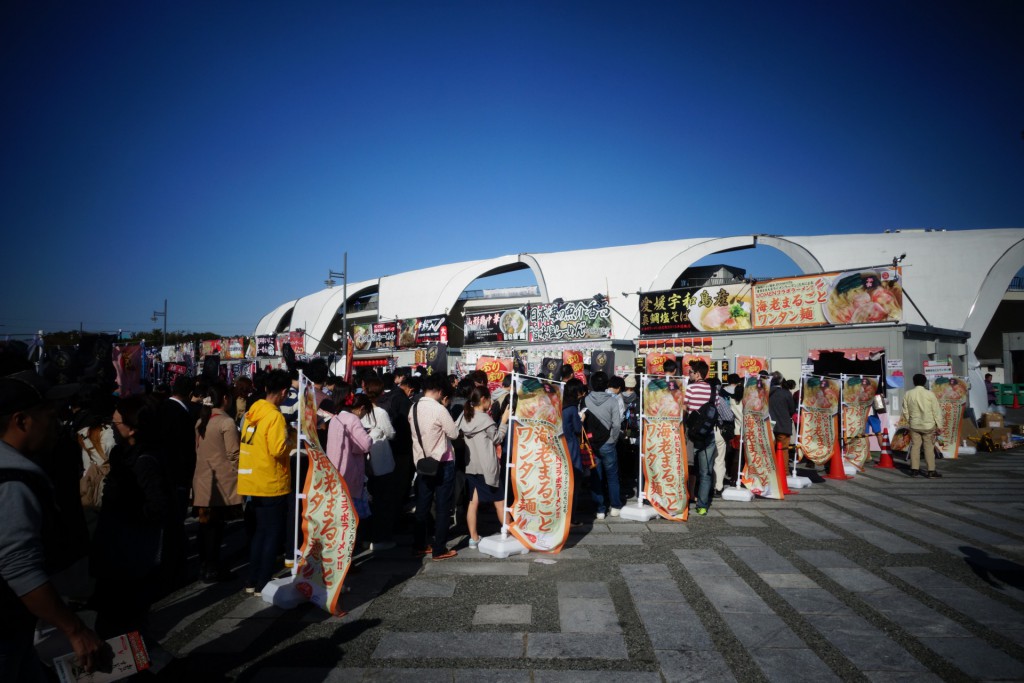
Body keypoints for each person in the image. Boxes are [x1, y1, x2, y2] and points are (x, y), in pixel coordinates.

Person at [1, 372, 112, 680]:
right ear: (21, 421)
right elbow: (20, 568)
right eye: (50, 416)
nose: (59, 423)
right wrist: (75, 630)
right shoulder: (13, 480)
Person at [92, 393, 172, 639]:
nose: (112, 429)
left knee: (126, 626)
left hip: (131, 558)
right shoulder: (123, 456)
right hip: (116, 552)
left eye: (116, 424)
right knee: (114, 624)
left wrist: (128, 510)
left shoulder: (145, 460)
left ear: (133, 429)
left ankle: (138, 671)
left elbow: (158, 507)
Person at [237, 369, 292, 595]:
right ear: (283, 392)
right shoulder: (274, 416)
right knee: (272, 533)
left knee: (260, 532)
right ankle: (262, 582)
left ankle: (252, 579)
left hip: (252, 480)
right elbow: (278, 449)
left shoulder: (252, 412)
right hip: (271, 481)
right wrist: (291, 439)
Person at [193, 381, 242, 583]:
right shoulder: (226, 422)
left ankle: (205, 564)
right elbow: (234, 454)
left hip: (202, 479)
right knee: (216, 526)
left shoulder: (201, 421)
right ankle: (212, 567)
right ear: (225, 399)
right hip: (222, 481)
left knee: (205, 526)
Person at [409, 374, 460, 560]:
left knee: (422, 505)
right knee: (443, 505)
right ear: (439, 391)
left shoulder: (413, 408)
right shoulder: (439, 409)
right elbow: (454, 434)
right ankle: (439, 548)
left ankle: (419, 544)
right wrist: (446, 408)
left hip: (422, 463)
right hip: (443, 462)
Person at [457, 387, 510, 548]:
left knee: (473, 503)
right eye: (490, 399)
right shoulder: (486, 420)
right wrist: (504, 422)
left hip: (471, 465)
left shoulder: (463, 416)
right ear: (484, 399)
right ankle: (511, 533)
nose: (492, 402)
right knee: (500, 503)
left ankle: (473, 538)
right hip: (488, 467)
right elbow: (497, 438)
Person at [325, 394, 373, 548]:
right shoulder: (353, 419)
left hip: (334, 471)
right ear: (361, 408)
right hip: (349, 471)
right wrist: (371, 436)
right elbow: (364, 444)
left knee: (339, 520)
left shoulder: (335, 418)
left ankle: (339, 556)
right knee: (350, 520)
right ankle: (347, 557)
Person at [362, 377, 397, 549]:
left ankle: (368, 536)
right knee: (383, 502)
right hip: (381, 460)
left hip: (364, 462)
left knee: (368, 501)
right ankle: (381, 538)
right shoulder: (381, 413)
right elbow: (391, 434)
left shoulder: (360, 411)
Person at [584, 371, 622, 520]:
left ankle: (600, 509)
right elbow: (617, 424)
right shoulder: (612, 401)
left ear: (592, 384)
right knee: (612, 476)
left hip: (592, 443)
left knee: (596, 476)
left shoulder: (586, 400)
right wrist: (613, 439)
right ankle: (615, 506)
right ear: (607, 384)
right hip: (608, 443)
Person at [685, 360, 715, 515]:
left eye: (691, 372)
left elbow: (683, 409)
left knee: (686, 468)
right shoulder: (713, 390)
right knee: (705, 472)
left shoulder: (689, 389)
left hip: (691, 435)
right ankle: (702, 506)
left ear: (697, 374)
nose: (689, 375)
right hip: (707, 436)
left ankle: (684, 500)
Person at [902, 374, 944, 478]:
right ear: (924, 382)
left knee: (915, 446)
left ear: (914, 382)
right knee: (929, 448)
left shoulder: (908, 394)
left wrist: (909, 421)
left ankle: (914, 470)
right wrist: (939, 425)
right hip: (928, 425)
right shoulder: (930, 394)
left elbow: (905, 410)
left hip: (914, 425)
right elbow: (936, 411)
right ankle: (931, 471)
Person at [561, 379, 587, 525]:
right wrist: (581, 419)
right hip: (571, 447)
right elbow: (577, 429)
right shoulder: (571, 409)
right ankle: (571, 516)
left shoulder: (559, 404)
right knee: (574, 483)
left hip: (559, 446)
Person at [768, 371, 796, 457]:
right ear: (781, 381)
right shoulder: (786, 393)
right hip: (783, 426)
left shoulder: (764, 393)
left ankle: (771, 470)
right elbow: (792, 410)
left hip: (768, 426)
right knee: (783, 451)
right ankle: (783, 470)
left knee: (769, 451)